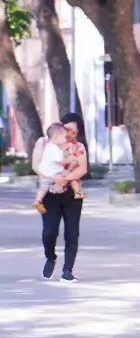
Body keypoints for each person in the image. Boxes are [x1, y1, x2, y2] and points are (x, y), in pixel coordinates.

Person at [37, 112, 89, 281]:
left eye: (74, 131)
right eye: (67, 130)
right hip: (50, 192)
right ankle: (50, 256)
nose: (69, 134)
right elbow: (36, 166)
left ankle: (67, 270)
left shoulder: (79, 147)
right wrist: (53, 178)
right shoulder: (45, 143)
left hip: (71, 194)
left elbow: (82, 169)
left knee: (72, 233)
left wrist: (65, 179)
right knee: (49, 232)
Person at [32, 123, 79, 214]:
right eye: (64, 137)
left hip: (46, 174)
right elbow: (60, 161)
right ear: (57, 137)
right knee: (62, 178)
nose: (65, 139)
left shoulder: (50, 147)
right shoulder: (53, 149)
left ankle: (38, 201)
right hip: (52, 174)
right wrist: (70, 160)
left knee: (43, 188)